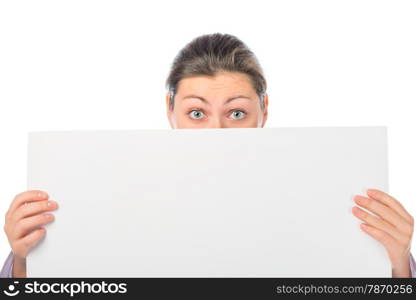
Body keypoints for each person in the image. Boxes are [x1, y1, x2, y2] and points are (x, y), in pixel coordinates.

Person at [1, 33, 415, 278]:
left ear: (264, 113)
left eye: (237, 112)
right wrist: (22, 260)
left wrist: (398, 265)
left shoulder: (320, 204)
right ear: (170, 112)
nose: (216, 131)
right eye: (197, 112)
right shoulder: (116, 200)